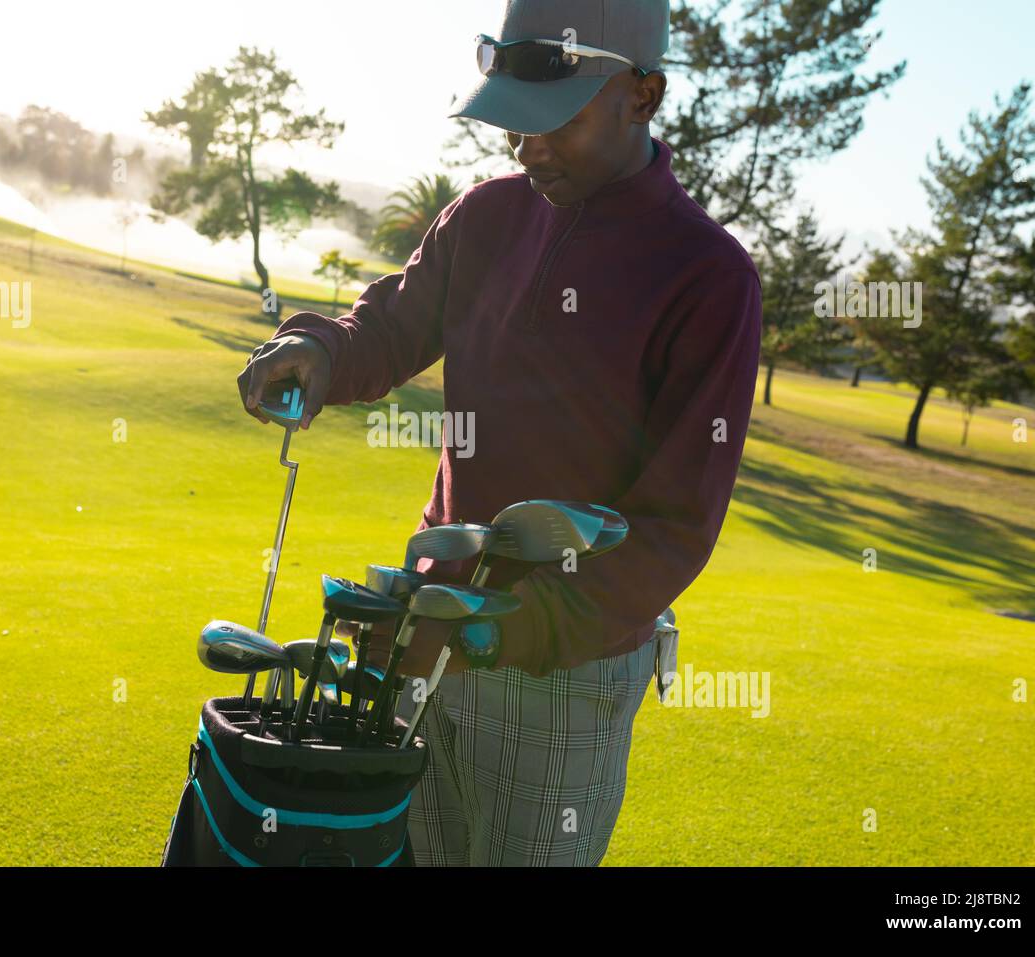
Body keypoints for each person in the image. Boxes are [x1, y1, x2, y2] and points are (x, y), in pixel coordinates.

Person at [236, 0, 761, 866]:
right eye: (513, 122)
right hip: (422, 631)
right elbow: (392, 326)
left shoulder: (708, 277)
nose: (528, 147)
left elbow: (673, 530)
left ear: (644, 95)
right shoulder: (485, 216)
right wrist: (318, 349)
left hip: (566, 669)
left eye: (554, 119)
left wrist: (498, 630)